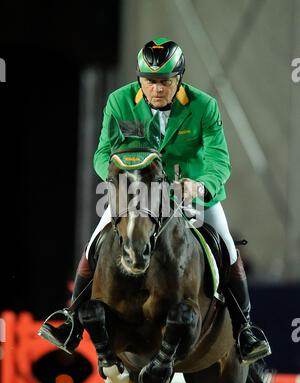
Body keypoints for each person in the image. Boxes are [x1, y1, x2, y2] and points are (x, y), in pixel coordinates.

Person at [39, 38, 271, 364]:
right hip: (138, 192)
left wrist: (202, 185)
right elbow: (104, 152)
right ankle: (71, 319)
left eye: (164, 81)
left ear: (179, 79)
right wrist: (121, 175)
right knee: (96, 240)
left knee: (227, 246)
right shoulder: (120, 102)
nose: (156, 89)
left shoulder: (204, 106)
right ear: (139, 78)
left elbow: (220, 160)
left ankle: (245, 330)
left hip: (190, 191)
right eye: (149, 81)